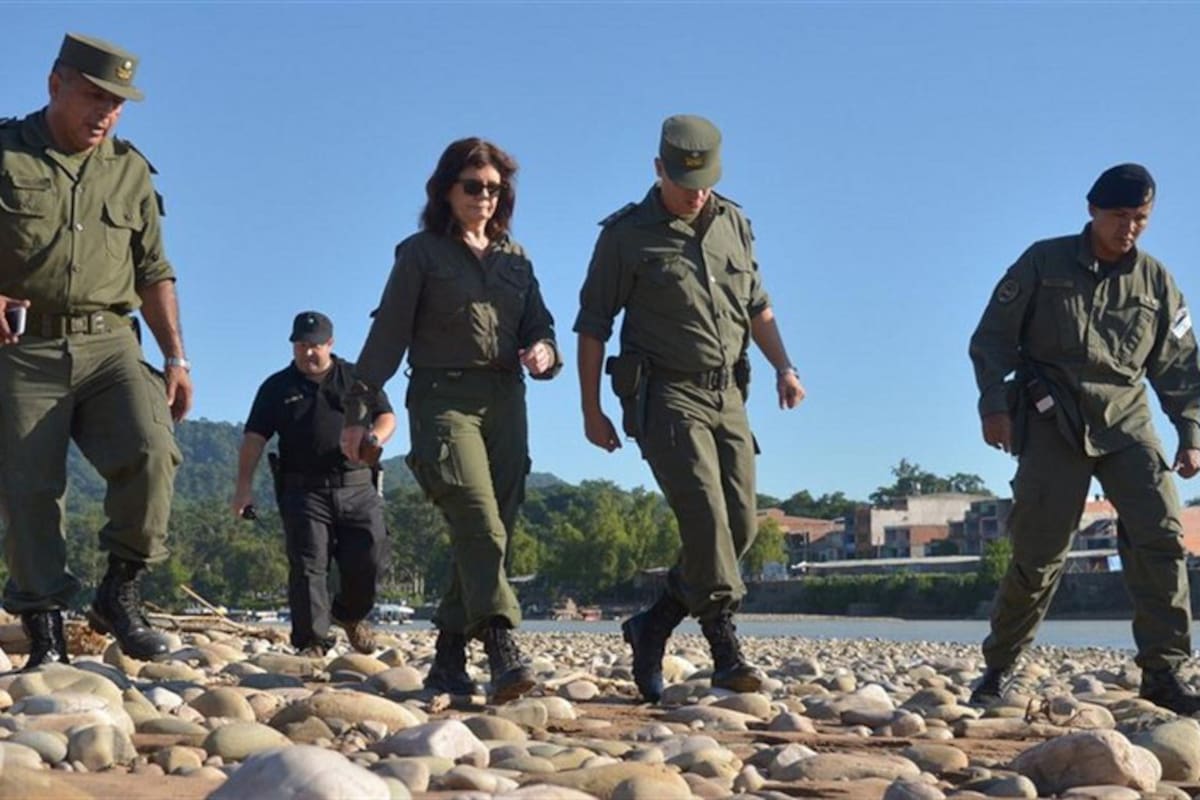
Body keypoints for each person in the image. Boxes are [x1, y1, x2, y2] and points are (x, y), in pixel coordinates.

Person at [575, 115, 805, 703]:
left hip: (729, 393)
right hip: (666, 394)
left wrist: (785, 366)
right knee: (704, 515)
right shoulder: (626, 236)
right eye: (683, 182)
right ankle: (726, 651)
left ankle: (651, 626)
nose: (695, 192)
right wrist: (591, 410)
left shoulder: (734, 223)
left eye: (703, 180)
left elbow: (759, 307)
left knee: (741, 527)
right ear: (658, 170)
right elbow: (593, 326)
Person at [968, 164, 1200, 713]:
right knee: (1039, 553)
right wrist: (994, 406)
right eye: (1120, 216)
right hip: (1053, 421)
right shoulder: (1042, 261)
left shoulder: (1157, 282)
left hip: (1126, 421)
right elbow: (992, 340)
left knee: (1161, 537)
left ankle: (1164, 673)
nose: (1130, 229)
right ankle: (999, 668)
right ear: (1093, 210)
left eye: (1140, 219)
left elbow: (1181, 368)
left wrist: (1190, 433)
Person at [339, 138, 561, 703]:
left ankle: (447, 656)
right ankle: (502, 643)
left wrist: (544, 353)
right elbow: (388, 333)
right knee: (479, 521)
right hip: (443, 400)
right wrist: (358, 411)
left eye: (494, 188)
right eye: (472, 186)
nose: (484, 197)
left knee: (493, 533)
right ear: (445, 190)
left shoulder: (517, 258)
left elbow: (542, 327)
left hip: (507, 402)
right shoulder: (420, 254)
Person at [0, 33, 192, 668]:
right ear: (56, 84)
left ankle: (120, 590)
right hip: (25, 346)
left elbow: (154, 270)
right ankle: (45, 628)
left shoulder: (129, 168)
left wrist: (176, 357)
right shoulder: (5, 152)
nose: (105, 114)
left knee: (153, 449)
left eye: (117, 104)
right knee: (31, 488)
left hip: (111, 342)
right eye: (93, 97)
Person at [232, 311, 395, 656]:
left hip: (356, 485)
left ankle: (349, 614)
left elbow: (386, 416)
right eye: (301, 345)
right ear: (293, 345)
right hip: (303, 490)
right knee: (308, 566)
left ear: (330, 343)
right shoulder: (277, 387)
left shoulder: (355, 377)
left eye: (315, 346)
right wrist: (243, 487)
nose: (308, 353)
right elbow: (254, 439)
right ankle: (312, 643)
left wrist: (376, 439)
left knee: (371, 557)